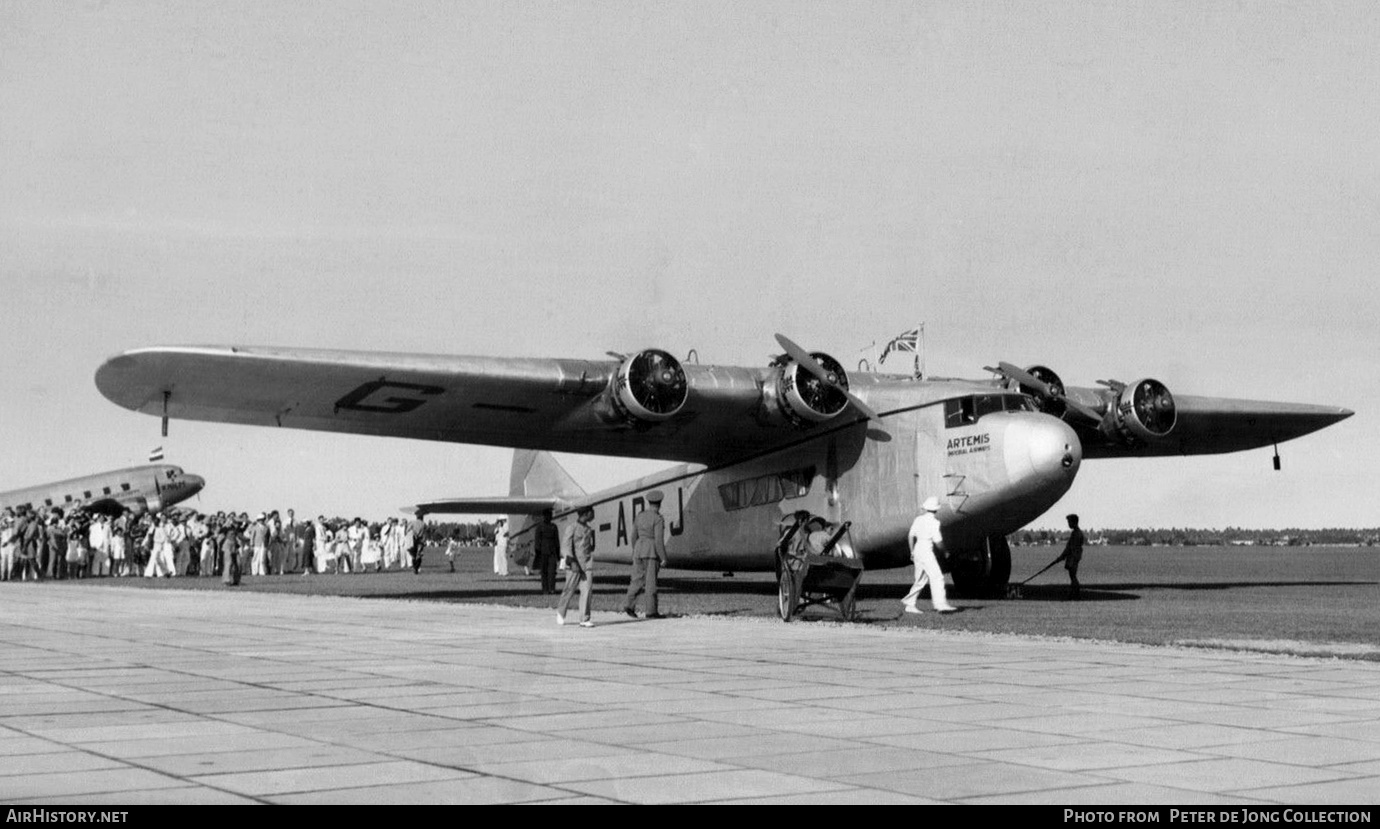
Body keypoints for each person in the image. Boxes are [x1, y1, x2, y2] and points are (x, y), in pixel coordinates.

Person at [902, 497, 957, 614]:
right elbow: (938, 541)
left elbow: (910, 536)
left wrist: (912, 552)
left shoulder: (918, 520)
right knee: (937, 576)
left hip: (917, 550)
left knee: (920, 580)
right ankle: (940, 604)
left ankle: (910, 603)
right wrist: (945, 552)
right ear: (936, 510)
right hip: (926, 550)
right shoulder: (935, 523)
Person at [623, 490, 669, 619]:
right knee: (651, 583)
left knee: (636, 580)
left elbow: (633, 536)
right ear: (659, 503)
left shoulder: (640, 516)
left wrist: (636, 549)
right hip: (651, 551)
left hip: (638, 549)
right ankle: (651, 611)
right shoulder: (658, 518)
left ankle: (629, 604)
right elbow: (659, 540)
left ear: (648, 502)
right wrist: (663, 557)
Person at [556, 507, 596, 627]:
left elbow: (589, 547)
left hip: (586, 564)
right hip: (574, 564)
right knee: (569, 589)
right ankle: (560, 612)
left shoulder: (588, 529)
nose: (593, 515)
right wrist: (571, 561)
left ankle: (584, 618)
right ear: (586, 514)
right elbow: (565, 546)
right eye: (591, 513)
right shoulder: (571, 527)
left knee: (587, 590)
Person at [1053, 513, 1085, 600]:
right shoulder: (1078, 533)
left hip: (1073, 557)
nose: (1068, 524)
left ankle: (1075, 594)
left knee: (1073, 576)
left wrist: (1062, 556)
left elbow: (1070, 548)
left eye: (1069, 522)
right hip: (1075, 556)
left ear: (1074, 522)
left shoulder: (1076, 534)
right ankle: (1073, 594)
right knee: (1072, 576)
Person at [533, 509, 560, 594]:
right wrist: (538, 554)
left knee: (551, 572)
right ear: (544, 516)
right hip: (543, 552)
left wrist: (558, 554)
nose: (550, 517)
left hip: (551, 552)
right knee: (544, 572)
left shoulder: (553, 527)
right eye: (548, 515)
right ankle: (546, 589)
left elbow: (557, 541)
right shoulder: (540, 527)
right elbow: (537, 541)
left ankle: (551, 589)